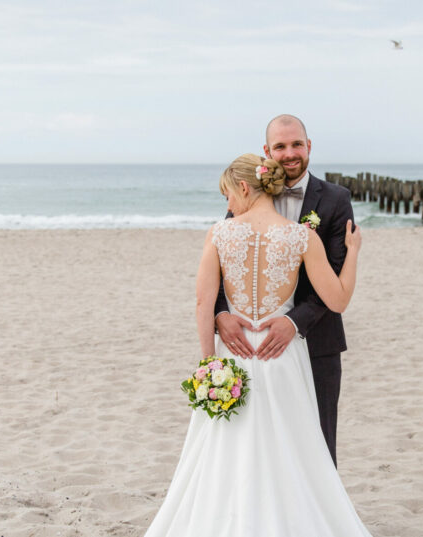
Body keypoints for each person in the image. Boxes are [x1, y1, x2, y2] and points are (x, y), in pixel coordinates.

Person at [141, 154, 371, 536]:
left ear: (245, 187)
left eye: (228, 194)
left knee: (226, 449)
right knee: (291, 447)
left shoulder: (219, 233)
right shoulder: (301, 236)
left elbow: (203, 302)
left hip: (235, 355)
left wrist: (209, 363)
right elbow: (339, 300)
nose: (228, 204)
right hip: (282, 355)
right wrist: (354, 253)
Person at [215, 114, 354, 466]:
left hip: (316, 339)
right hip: (253, 344)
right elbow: (224, 260)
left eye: (296, 145)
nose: (290, 153)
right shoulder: (248, 193)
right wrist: (221, 315)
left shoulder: (336, 199)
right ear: (267, 152)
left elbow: (334, 275)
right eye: (280, 146)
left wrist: (293, 322)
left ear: (309, 146)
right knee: (256, 443)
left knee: (319, 447)